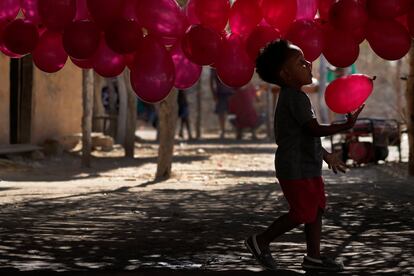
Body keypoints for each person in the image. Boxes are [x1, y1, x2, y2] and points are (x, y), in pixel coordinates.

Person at [244, 39, 364, 272]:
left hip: (307, 165)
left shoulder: (297, 96)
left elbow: (308, 135)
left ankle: (313, 258)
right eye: (300, 62)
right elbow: (313, 129)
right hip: (294, 167)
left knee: (316, 208)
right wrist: (344, 125)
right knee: (302, 212)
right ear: (286, 74)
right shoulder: (293, 98)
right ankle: (260, 241)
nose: (308, 63)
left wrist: (326, 155)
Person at [209, 68, 235, 139]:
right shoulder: (213, 66)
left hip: (231, 92)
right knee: (221, 113)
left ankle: (237, 130)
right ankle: (222, 130)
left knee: (233, 112)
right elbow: (211, 81)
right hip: (220, 93)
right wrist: (214, 94)